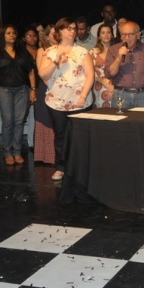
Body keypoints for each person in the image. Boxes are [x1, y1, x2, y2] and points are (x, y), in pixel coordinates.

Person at [37, 18, 94, 181]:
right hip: (56, 102)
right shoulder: (50, 52)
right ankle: (60, 168)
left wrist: (83, 96)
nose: (72, 31)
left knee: (80, 137)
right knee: (60, 136)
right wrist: (56, 62)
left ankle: (81, 169)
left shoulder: (82, 51)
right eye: (68, 28)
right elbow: (43, 75)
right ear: (59, 31)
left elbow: (90, 75)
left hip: (80, 102)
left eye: (74, 28)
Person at [0, 24, 36, 165]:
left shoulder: (22, 51)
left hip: (22, 89)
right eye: (8, 33)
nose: (12, 35)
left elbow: (30, 71)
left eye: (14, 33)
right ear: (3, 35)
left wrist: (33, 89)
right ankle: (7, 152)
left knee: (19, 121)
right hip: (3, 89)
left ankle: (17, 151)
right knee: (8, 120)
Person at [104, 20, 144, 108]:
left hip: (143, 95)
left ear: (138, 35)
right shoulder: (113, 50)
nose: (127, 38)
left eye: (130, 34)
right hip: (121, 94)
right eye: (124, 35)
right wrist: (119, 58)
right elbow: (109, 74)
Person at [33, 25, 56, 165]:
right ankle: (45, 157)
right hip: (47, 89)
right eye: (53, 34)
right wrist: (54, 88)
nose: (56, 36)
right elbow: (42, 73)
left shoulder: (63, 49)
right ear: (47, 36)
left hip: (61, 90)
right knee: (45, 119)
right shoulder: (42, 50)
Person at [21, 25, 40, 150]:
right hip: (24, 87)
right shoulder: (21, 53)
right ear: (23, 38)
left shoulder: (41, 51)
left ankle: (33, 143)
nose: (32, 38)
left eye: (34, 36)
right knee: (22, 116)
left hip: (39, 86)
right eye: (29, 36)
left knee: (35, 115)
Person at [90, 23, 116, 108]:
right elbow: (91, 73)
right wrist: (106, 84)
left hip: (116, 85)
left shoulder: (117, 51)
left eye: (108, 32)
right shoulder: (93, 52)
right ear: (99, 36)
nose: (106, 35)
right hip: (99, 86)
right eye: (103, 32)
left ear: (112, 35)